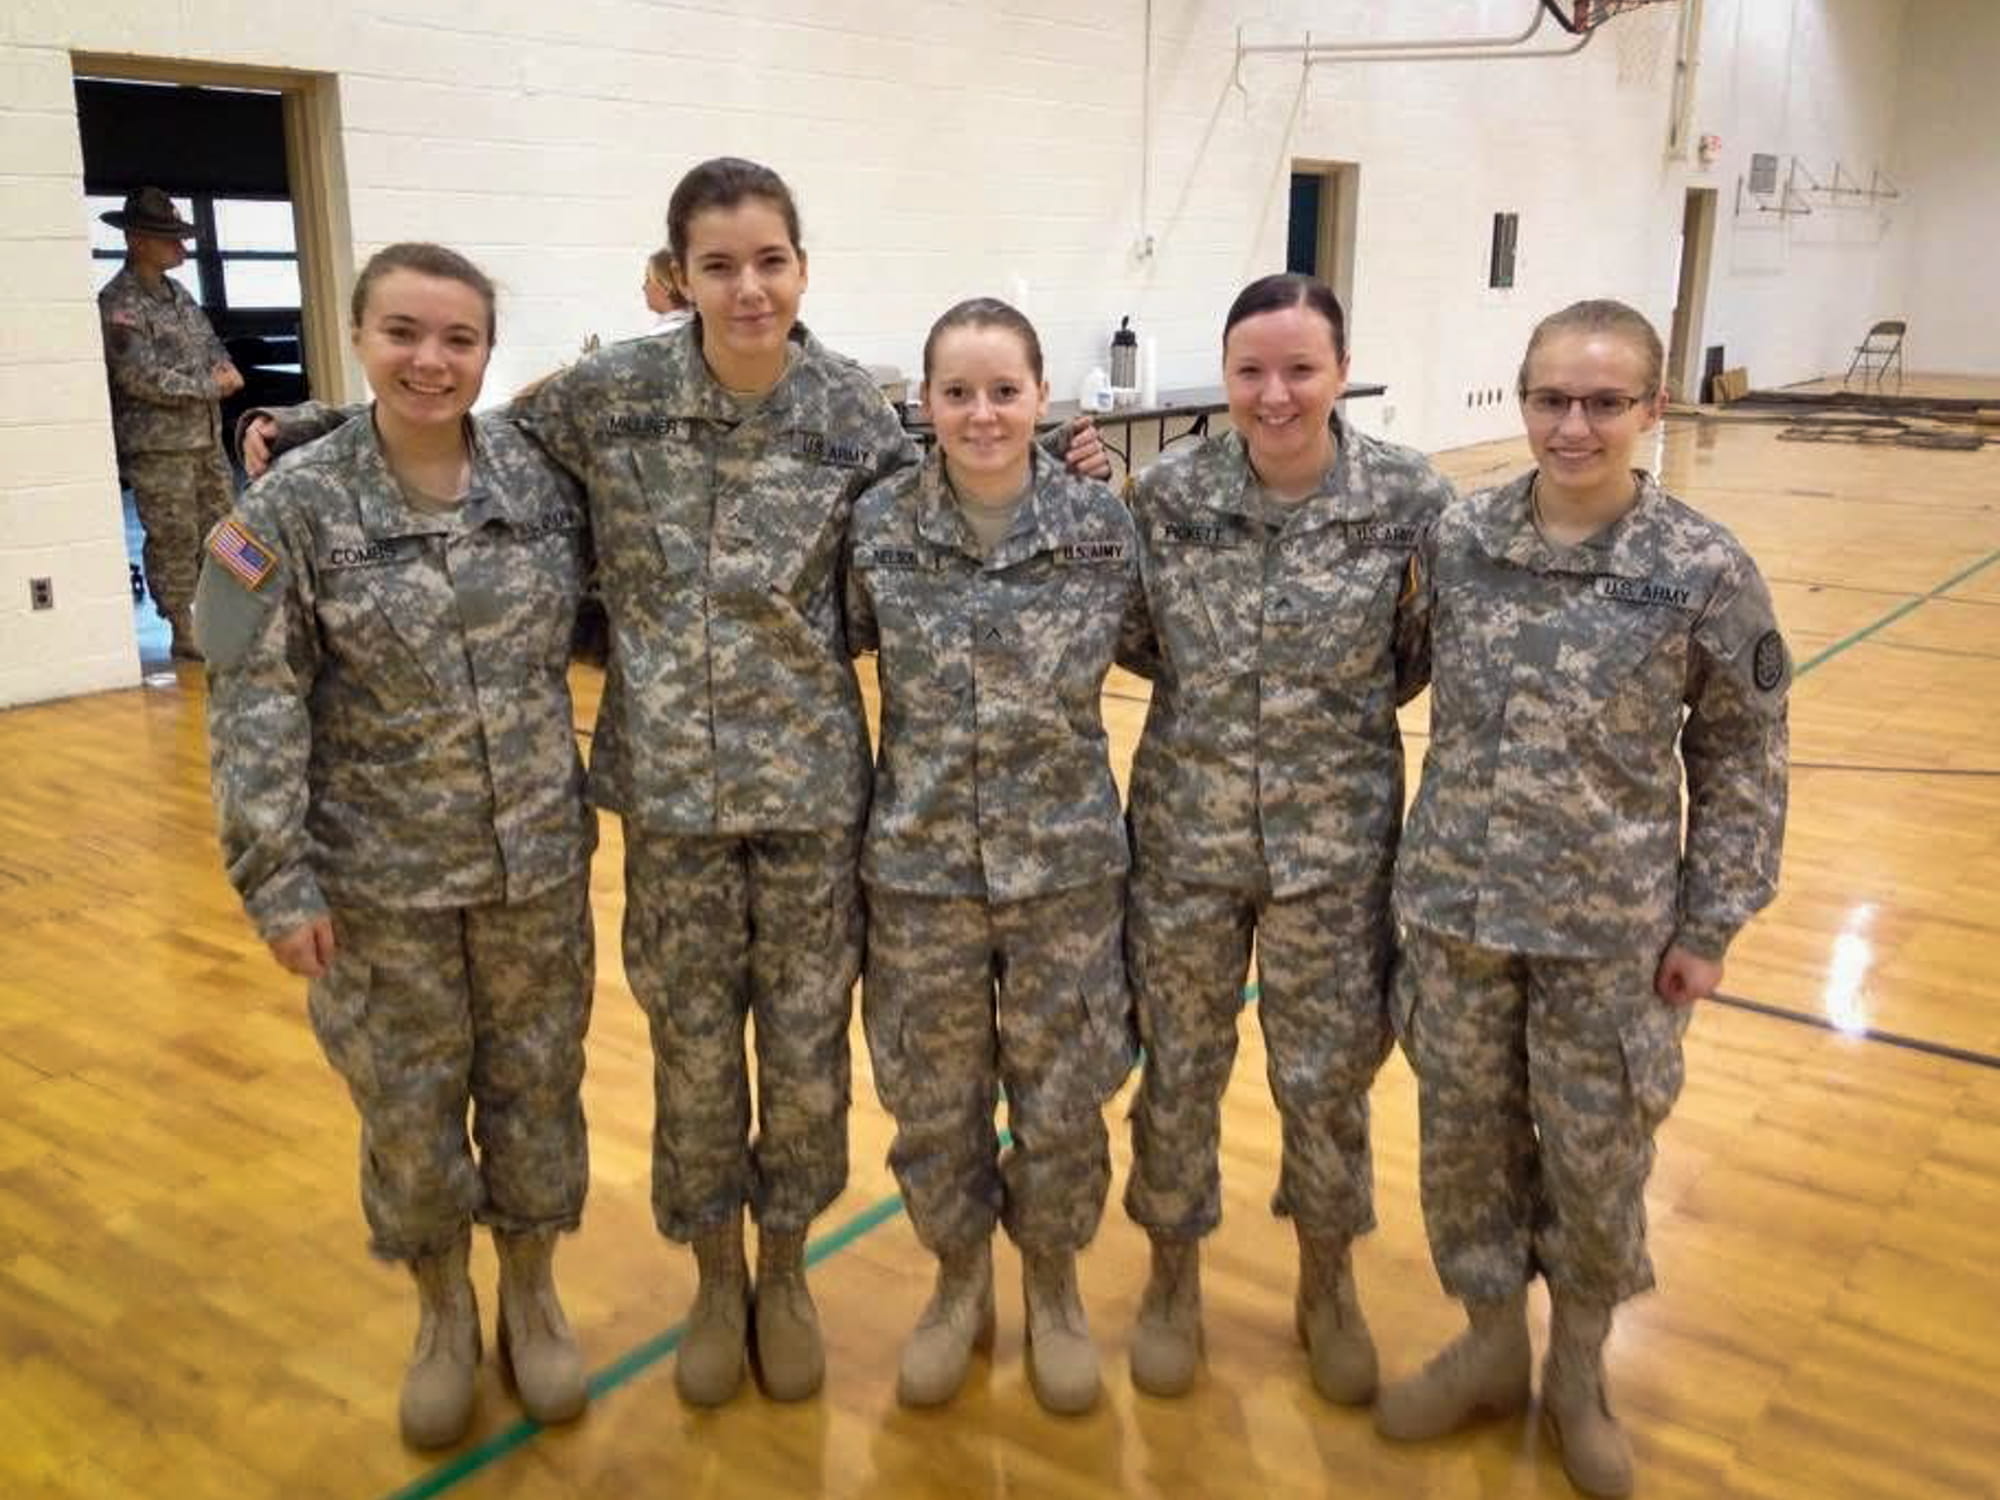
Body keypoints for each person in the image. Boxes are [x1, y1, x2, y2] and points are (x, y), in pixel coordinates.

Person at [1375, 299, 1789, 1499]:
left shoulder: (1699, 570)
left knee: (1596, 1162)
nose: (1573, 425)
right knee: (1461, 1147)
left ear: (1650, 410)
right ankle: (1491, 1349)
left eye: (1604, 402)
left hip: (1609, 939)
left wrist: (1709, 924)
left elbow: (1742, 756)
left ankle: (1579, 1379)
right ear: (1521, 397)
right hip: (1455, 912)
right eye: (1551, 398)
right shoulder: (1458, 539)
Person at [196, 243, 596, 1449]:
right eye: (403, 334)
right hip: (379, 886)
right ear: (359, 337)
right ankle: (441, 1311)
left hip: (534, 865)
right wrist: (278, 876)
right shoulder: (288, 513)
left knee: (536, 1092)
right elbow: (251, 696)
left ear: (487, 351)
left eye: (459, 339)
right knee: (409, 1109)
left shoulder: (539, 480)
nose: (431, 361)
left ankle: (531, 1293)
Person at [1117, 273, 1456, 1403]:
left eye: (1299, 369)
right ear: (1223, 375)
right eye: (1250, 370)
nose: (1274, 394)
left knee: (1325, 1080)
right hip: (1185, 838)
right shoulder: (1164, 496)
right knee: (1178, 1065)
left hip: (1336, 847)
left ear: (1340, 371)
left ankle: (1327, 1280)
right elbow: (1135, 635)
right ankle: (1171, 1275)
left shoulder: (1410, 500)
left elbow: (1415, 654)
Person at [846, 298, 1144, 1414]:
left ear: (1041, 399)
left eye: (1003, 391)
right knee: (933, 1096)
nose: (980, 414)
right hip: (919, 869)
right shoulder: (876, 528)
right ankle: (957, 1279)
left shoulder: (1103, 529)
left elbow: (1160, 647)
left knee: (1064, 1094)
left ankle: (1055, 1286)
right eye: (956, 393)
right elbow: (831, 645)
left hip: (1065, 869)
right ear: (922, 404)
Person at [97, 186, 244, 660]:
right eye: (170, 239)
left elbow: (210, 346)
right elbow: (137, 375)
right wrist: (209, 385)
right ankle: (183, 625)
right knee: (173, 536)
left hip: (204, 438)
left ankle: (229, 613)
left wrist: (224, 369)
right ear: (138, 240)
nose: (182, 247)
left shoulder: (178, 294)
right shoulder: (119, 303)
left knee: (225, 527)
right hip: (160, 447)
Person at [642, 247, 693, 335]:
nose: (644, 287)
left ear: (666, 286)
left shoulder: (664, 334)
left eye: (648, 280)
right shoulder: (700, 327)